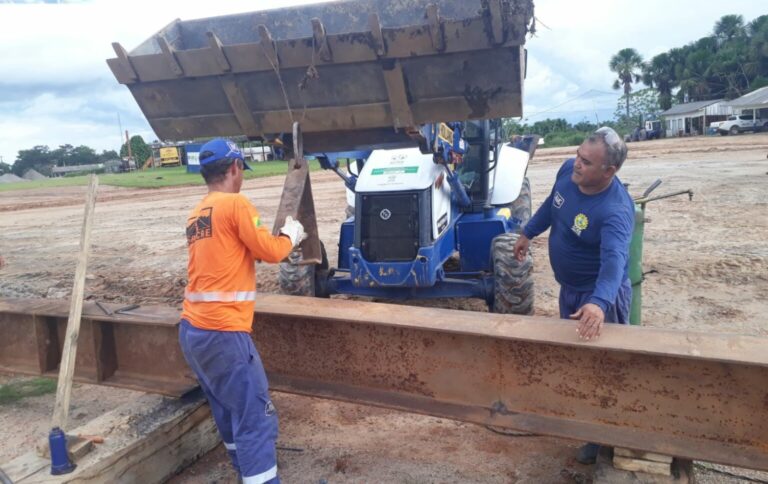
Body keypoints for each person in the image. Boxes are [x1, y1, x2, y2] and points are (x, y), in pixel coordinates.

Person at [178, 138, 306, 483]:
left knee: (227, 407)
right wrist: (291, 236)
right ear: (235, 168)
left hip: (193, 331)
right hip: (223, 331)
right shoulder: (235, 205)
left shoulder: (197, 214)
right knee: (254, 415)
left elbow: (231, 254)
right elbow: (269, 251)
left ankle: (244, 472)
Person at [513, 127, 634, 465]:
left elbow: (614, 264)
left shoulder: (615, 211)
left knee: (604, 367)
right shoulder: (568, 171)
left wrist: (598, 303)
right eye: (579, 156)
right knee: (578, 360)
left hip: (597, 299)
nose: (577, 164)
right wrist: (527, 233)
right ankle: (585, 420)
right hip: (570, 291)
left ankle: (602, 438)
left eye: (586, 162)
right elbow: (553, 206)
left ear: (609, 171)